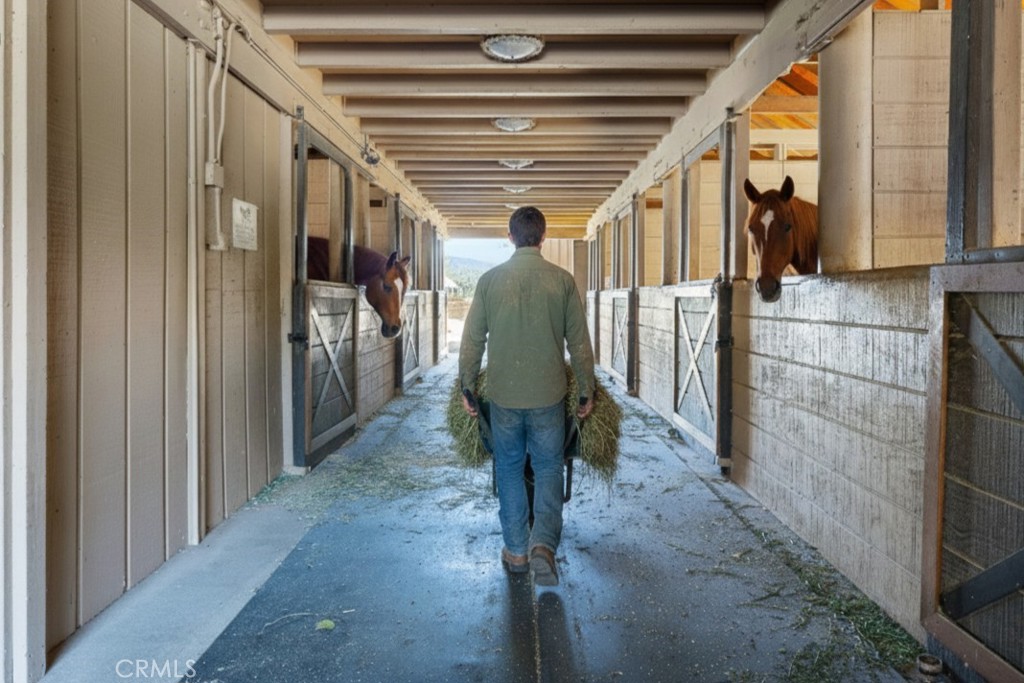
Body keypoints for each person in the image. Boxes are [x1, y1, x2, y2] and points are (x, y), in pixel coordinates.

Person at [459, 206, 595, 586]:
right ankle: (543, 547)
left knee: (508, 467)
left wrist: (467, 386)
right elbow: (579, 343)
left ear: (510, 237)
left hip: (504, 395)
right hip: (549, 394)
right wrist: (586, 390)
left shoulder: (489, 281)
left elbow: (472, 341)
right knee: (549, 467)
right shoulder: (562, 281)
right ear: (543, 237)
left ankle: (517, 550)